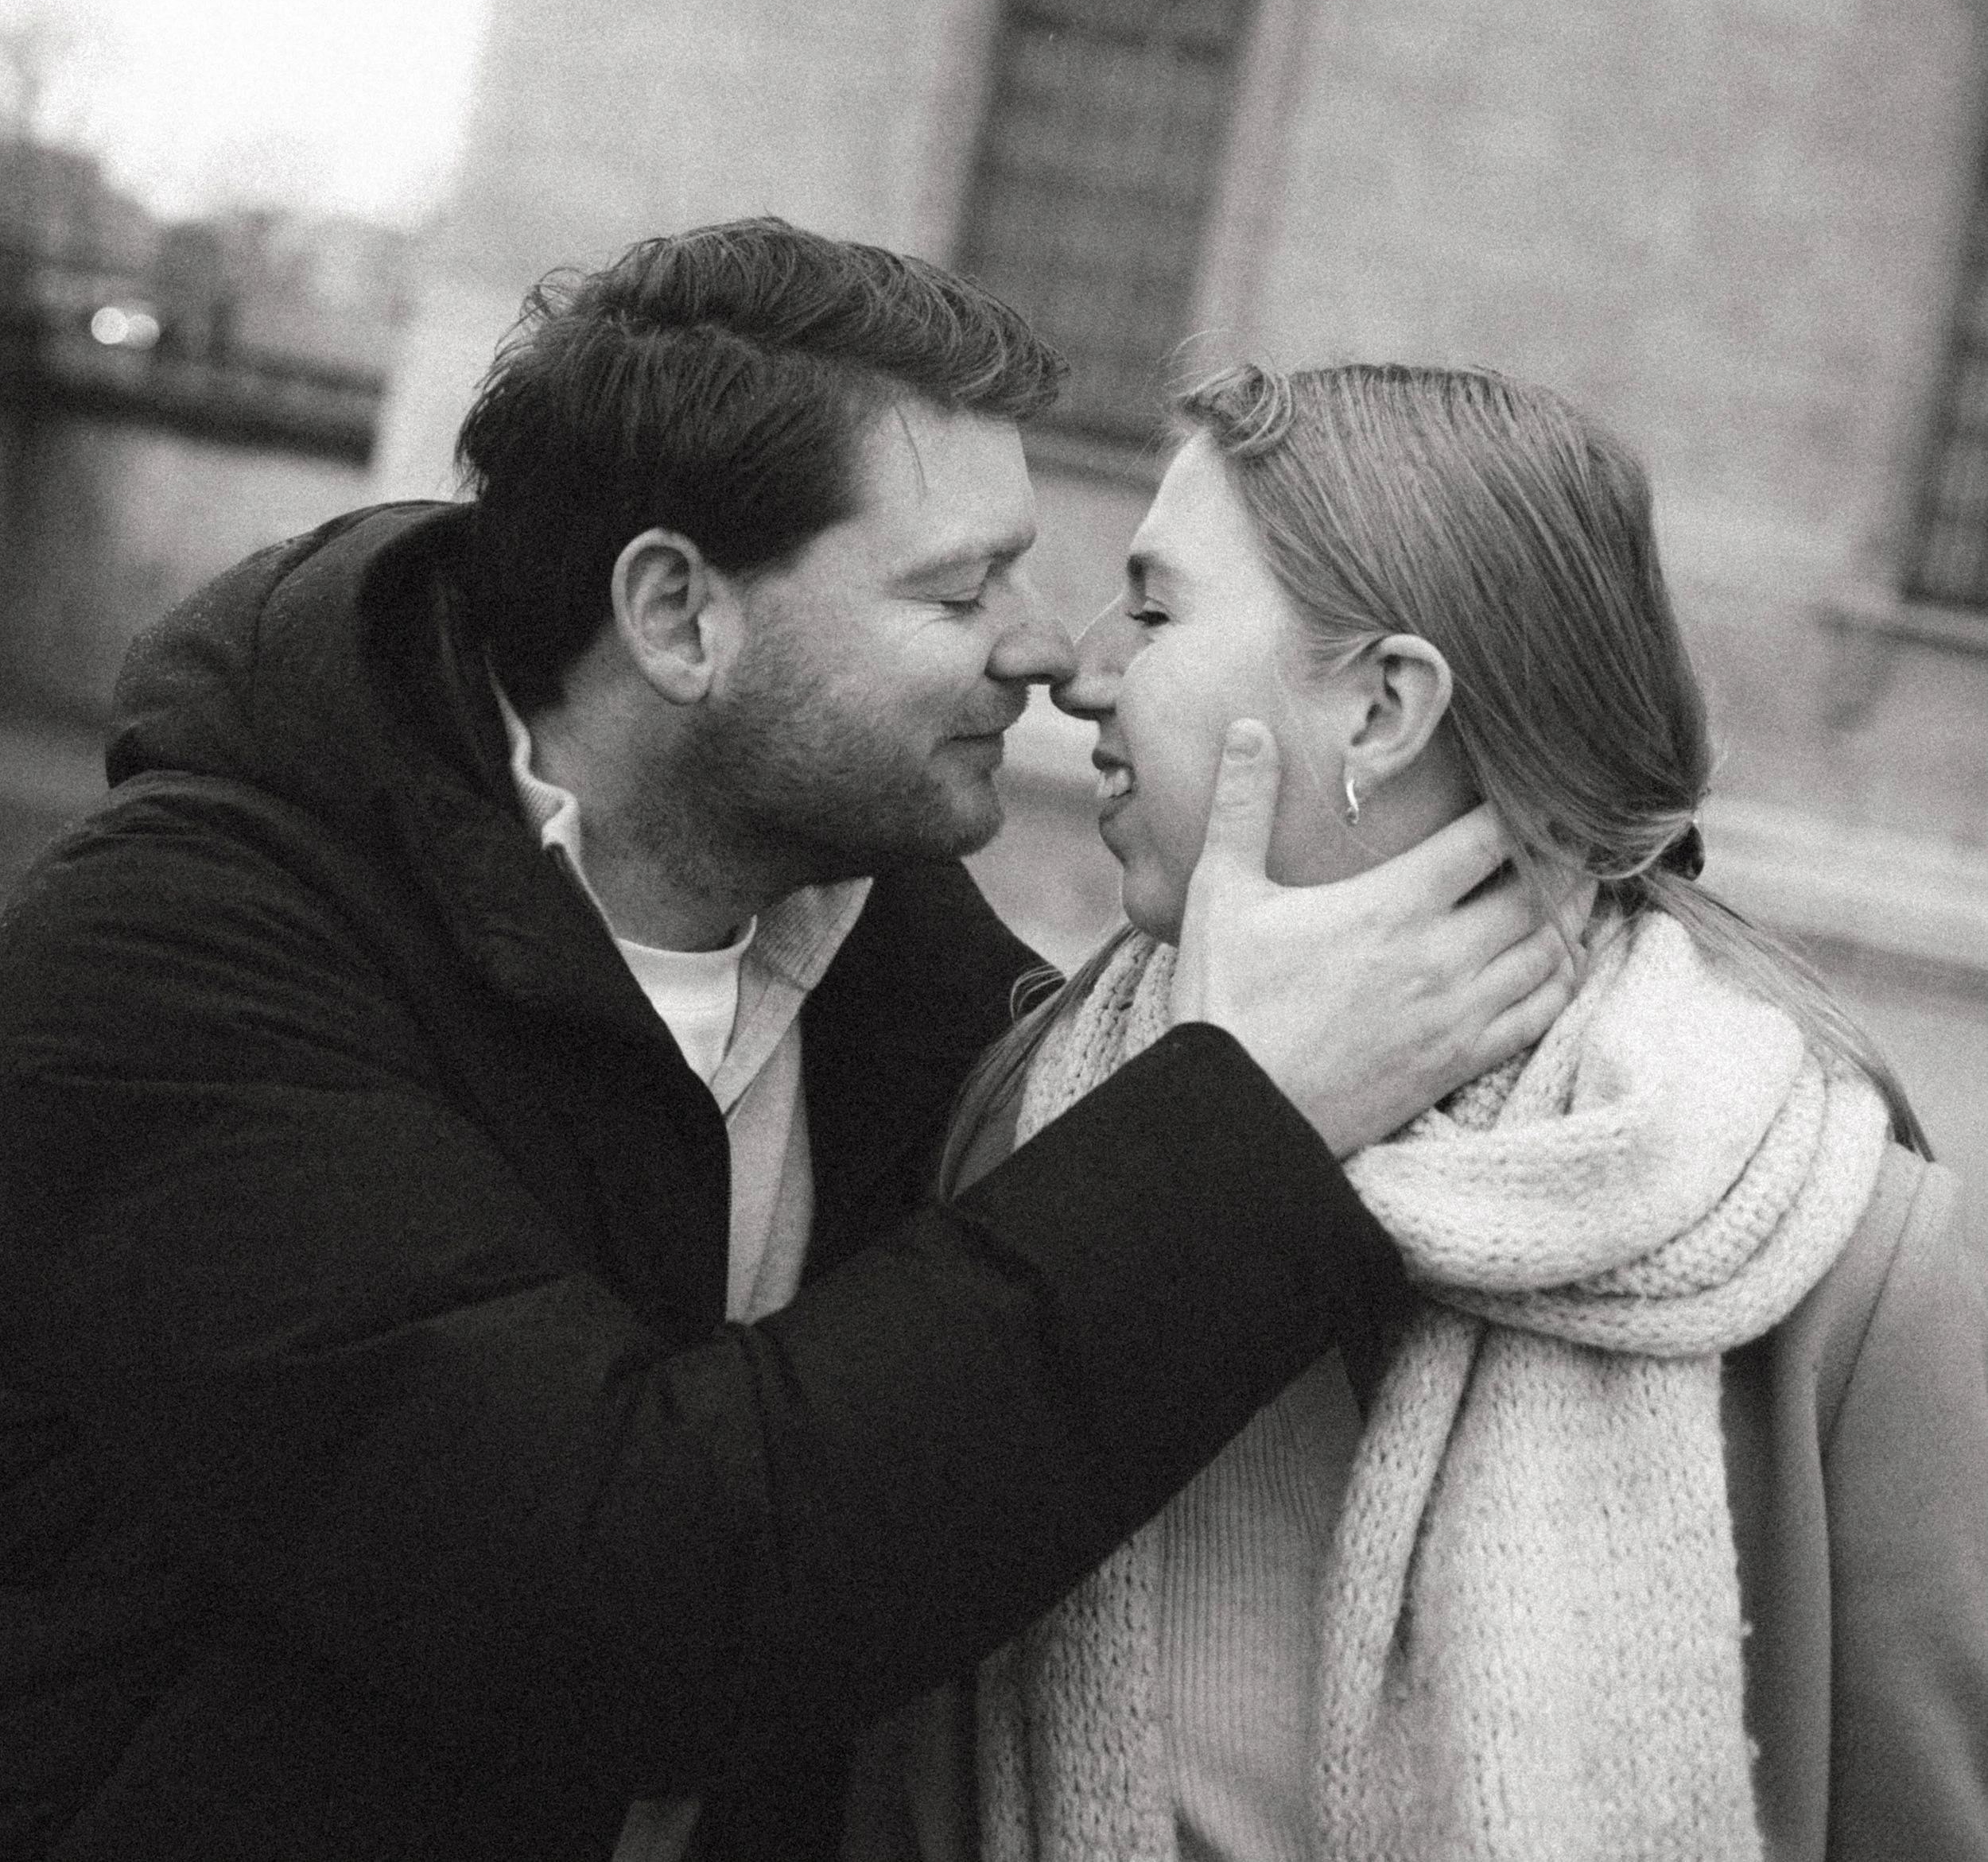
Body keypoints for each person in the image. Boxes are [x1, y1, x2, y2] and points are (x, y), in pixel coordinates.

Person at [0, 227, 1578, 1862]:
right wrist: (1234, 1129)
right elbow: (620, 1599)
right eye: (958, 588)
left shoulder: (882, 942)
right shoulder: (165, 975)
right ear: (678, 614)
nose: (1044, 649)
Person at [917, 359, 1988, 1862]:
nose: (1081, 671)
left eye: (1156, 610)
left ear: (1384, 709)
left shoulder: (1853, 1269)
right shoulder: (1028, 1131)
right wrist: (1190, 1162)